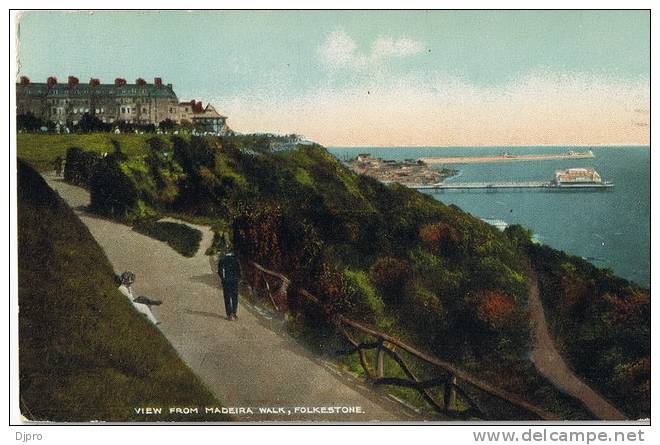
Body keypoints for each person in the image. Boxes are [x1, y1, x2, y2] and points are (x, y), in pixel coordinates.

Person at [219, 250, 241, 320]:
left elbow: (220, 271)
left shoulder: (222, 259)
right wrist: (238, 279)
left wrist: (223, 279)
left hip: (226, 281)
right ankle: (234, 314)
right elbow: (239, 271)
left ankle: (229, 315)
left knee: (227, 297)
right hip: (235, 281)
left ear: (225, 252)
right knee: (235, 297)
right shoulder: (236, 259)